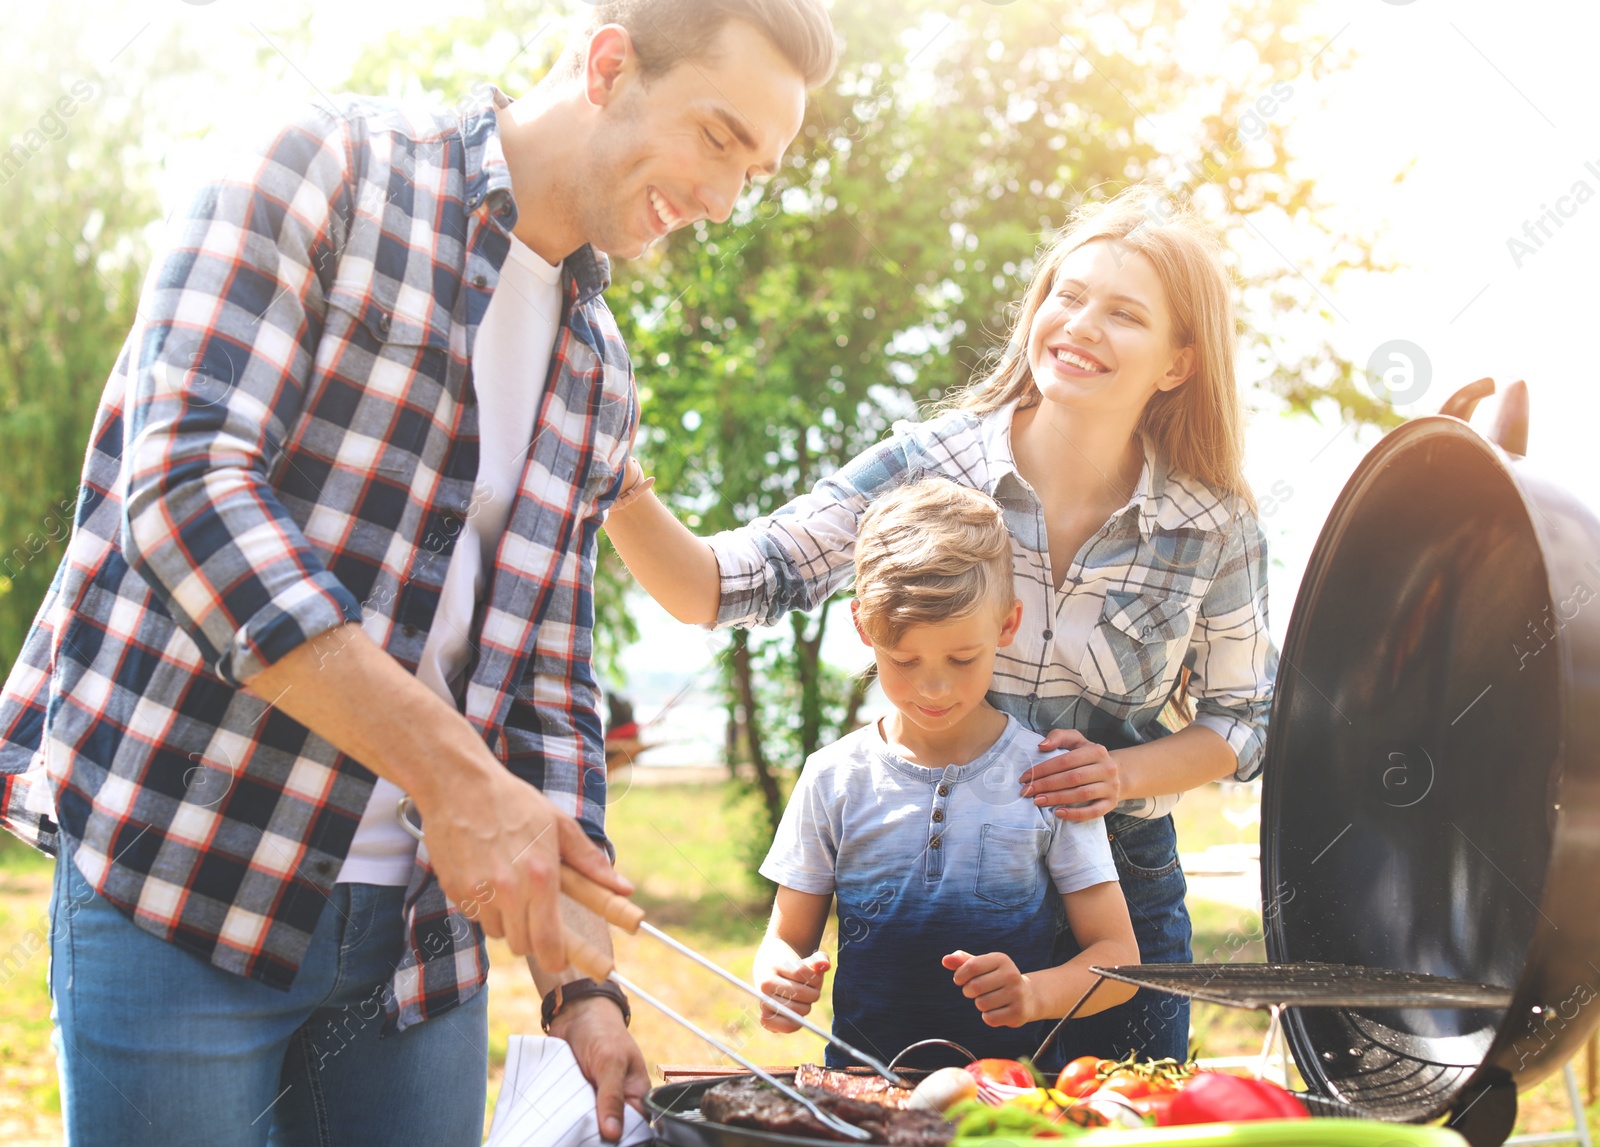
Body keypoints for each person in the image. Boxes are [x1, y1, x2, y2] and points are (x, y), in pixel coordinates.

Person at [0, 2, 836, 1144]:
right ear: (607, 64)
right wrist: (454, 781)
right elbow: (188, 492)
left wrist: (577, 982)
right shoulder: (322, 166)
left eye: (756, 169)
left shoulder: (597, 368)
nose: (723, 198)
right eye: (718, 138)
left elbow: (550, 674)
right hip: (186, 879)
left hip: (413, 956)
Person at [604, 184, 1275, 1062]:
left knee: (1123, 1118)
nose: (1079, 324)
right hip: (949, 886)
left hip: (1122, 894)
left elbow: (1243, 720)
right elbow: (721, 585)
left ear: (1178, 362)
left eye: (1123, 314)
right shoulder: (930, 465)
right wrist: (608, 467)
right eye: (1065, 296)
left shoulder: (1214, 523)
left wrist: (1117, 772)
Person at [751, 480, 1138, 1069]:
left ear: (1007, 626)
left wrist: (1034, 995)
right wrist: (778, 981)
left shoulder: (1049, 777)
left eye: (962, 659)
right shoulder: (832, 777)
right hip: (862, 1100)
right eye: (904, 662)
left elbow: (1119, 962)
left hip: (1007, 1107)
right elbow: (785, 939)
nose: (934, 688)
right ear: (863, 628)